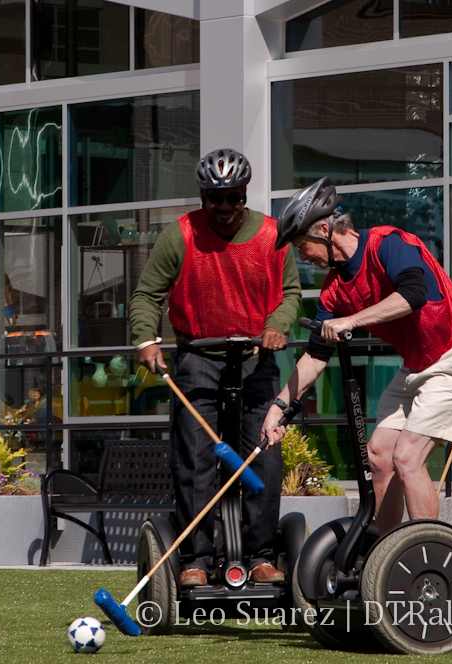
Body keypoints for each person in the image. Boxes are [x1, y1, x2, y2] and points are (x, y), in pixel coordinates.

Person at [262, 177, 452, 534]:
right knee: (381, 455)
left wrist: (350, 321)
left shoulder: (388, 243)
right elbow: (315, 356)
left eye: (302, 245)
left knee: (407, 457)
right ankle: (387, 555)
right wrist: (278, 408)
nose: (302, 256)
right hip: (417, 367)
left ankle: (426, 557)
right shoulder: (333, 291)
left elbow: (414, 294)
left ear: (324, 229)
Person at [130, 148, 301, 587]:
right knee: (195, 461)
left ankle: (261, 555)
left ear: (245, 194)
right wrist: (147, 340)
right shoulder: (180, 235)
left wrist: (277, 325)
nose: (224, 208)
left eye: (233, 198)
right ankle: (195, 560)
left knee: (262, 461)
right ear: (203, 196)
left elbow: (291, 295)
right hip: (197, 359)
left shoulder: (272, 234)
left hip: (255, 361)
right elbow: (147, 295)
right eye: (214, 199)